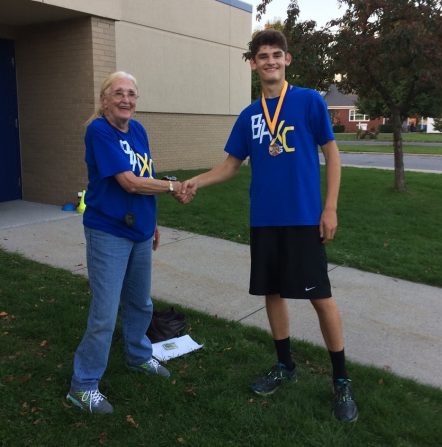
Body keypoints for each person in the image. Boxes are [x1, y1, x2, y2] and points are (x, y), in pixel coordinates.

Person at [180, 30, 358, 422]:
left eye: (277, 55)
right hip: (264, 221)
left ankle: (341, 381)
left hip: (303, 220)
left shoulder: (308, 101)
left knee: (320, 298)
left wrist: (329, 208)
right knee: (273, 293)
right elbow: (230, 166)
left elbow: (332, 155)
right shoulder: (249, 115)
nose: (270, 61)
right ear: (253, 63)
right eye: (263, 56)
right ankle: (284, 365)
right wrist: (196, 180)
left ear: (287, 60)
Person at [67, 71, 181, 414]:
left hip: (140, 231)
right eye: (119, 93)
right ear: (105, 100)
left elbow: (145, 174)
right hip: (108, 233)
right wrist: (174, 187)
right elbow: (130, 183)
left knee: (140, 303)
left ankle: (138, 355)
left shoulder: (139, 130)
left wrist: (153, 221)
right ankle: (82, 385)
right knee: (104, 313)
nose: (126, 99)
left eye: (131, 93)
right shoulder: (99, 131)